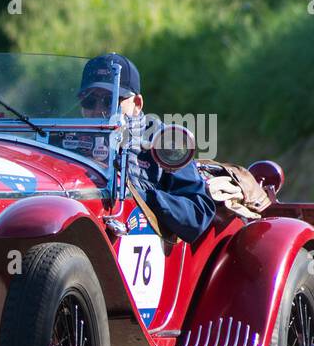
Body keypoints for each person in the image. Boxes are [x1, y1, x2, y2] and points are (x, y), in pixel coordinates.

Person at [78, 53, 215, 243]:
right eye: (90, 101)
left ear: (137, 104)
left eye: (111, 100)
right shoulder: (61, 140)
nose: (99, 110)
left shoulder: (165, 143)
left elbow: (198, 214)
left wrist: (141, 198)